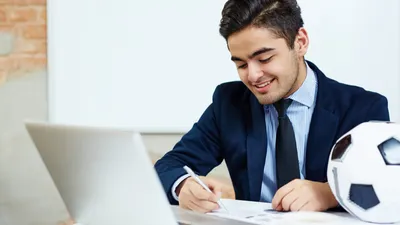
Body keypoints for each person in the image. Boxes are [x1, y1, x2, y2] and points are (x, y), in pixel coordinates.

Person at [154, 0, 390, 213]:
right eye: (241, 64)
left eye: (264, 59)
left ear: (300, 42)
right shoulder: (229, 103)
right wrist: (183, 185)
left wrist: (328, 194)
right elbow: (169, 166)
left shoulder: (364, 107)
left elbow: (386, 184)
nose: (253, 76)